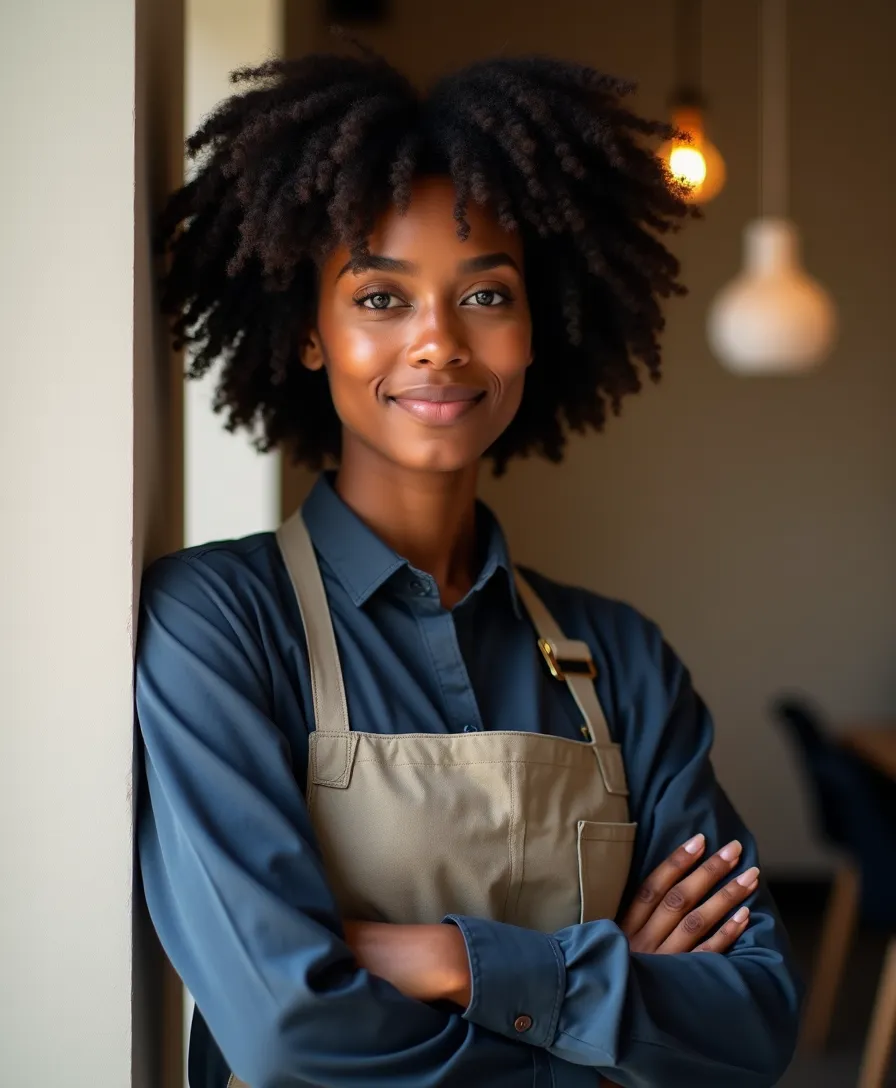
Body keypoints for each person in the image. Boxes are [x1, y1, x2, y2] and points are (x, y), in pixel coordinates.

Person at [136, 46, 801, 1088]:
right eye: (379, 298)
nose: (439, 342)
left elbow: (752, 1022)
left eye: (485, 295)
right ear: (311, 333)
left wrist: (442, 957)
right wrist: (597, 1009)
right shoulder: (216, 622)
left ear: (535, 327)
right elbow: (288, 1035)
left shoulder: (619, 657)